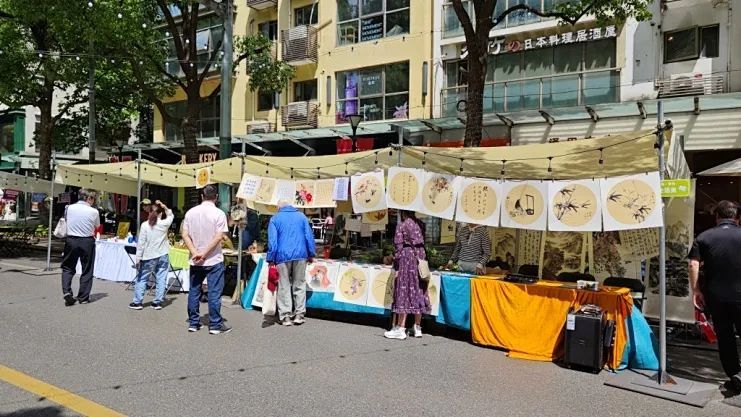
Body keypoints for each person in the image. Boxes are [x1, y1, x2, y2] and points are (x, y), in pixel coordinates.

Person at [689, 200, 741, 391]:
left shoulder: (704, 237)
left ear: (717, 216)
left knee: (725, 337)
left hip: (716, 296)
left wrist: (696, 290)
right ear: (738, 218)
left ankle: (734, 374)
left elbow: (693, 264)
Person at [182, 185, 231, 334]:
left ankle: (193, 322)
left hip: (195, 259)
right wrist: (204, 253)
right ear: (216, 197)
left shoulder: (190, 213)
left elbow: (184, 235)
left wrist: (195, 252)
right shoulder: (219, 214)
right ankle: (215, 325)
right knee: (214, 292)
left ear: (202, 196)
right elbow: (219, 237)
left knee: (194, 291)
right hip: (213, 258)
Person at [267, 199, 316, 326]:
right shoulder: (302, 217)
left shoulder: (275, 219)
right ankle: (299, 314)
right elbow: (309, 236)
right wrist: (311, 253)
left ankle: (286, 317)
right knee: (299, 283)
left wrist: (271, 258)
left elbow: (273, 242)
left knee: (283, 285)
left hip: (282, 256)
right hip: (301, 254)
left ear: (278, 208)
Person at [385, 210, 430, 340]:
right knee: (419, 289)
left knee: (404, 290)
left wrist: (395, 261)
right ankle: (417, 327)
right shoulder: (421, 224)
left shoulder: (402, 225)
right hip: (420, 258)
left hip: (407, 259)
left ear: (402, 212)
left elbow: (398, 247)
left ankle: (401, 327)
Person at [129, 200, 174, 310]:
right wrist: (164, 206)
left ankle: (137, 302)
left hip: (149, 256)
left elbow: (141, 243)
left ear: (150, 213)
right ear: (160, 214)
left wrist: (138, 258)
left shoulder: (145, 225)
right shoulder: (164, 224)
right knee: (161, 278)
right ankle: (157, 302)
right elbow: (170, 214)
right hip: (163, 254)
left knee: (142, 278)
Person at [60, 189, 100, 306]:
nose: (93, 201)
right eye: (92, 198)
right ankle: (83, 297)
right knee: (87, 269)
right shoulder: (94, 211)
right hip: (87, 241)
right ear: (88, 198)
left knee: (68, 267)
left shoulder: (69, 208)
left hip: (71, 240)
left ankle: (67, 291)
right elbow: (97, 226)